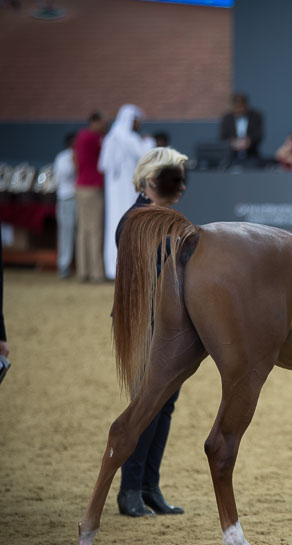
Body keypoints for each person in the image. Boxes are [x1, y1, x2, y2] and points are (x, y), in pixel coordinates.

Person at [114, 146, 191, 518]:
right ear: (150, 180)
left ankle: (149, 487)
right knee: (147, 406)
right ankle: (129, 489)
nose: (181, 186)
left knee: (164, 405)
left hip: (168, 325)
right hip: (146, 325)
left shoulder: (161, 219)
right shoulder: (136, 222)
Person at [100, 104, 155, 280]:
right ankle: (128, 268)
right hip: (128, 190)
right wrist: (148, 141)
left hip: (114, 191)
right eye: (137, 121)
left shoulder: (110, 138)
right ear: (131, 120)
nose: (139, 124)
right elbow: (147, 156)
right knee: (130, 224)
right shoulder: (130, 138)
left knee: (114, 225)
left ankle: (112, 268)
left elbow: (102, 166)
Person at [73, 111, 107, 283]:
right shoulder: (95, 138)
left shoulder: (80, 136)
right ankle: (96, 273)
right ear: (94, 121)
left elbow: (75, 159)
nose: (104, 126)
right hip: (93, 187)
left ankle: (83, 271)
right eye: (102, 122)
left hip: (80, 186)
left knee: (83, 231)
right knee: (95, 231)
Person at [53, 131, 77, 278]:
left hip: (79, 198)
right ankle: (64, 265)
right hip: (67, 198)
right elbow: (63, 176)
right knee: (66, 233)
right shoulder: (62, 157)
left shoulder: (81, 154)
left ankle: (79, 265)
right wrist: (74, 162)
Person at [219, 92, 264, 165]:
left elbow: (258, 135)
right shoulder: (227, 118)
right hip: (231, 157)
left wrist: (249, 141)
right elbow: (222, 137)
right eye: (236, 107)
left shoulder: (255, 116)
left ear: (246, 105)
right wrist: (232, 143)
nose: (239, 109)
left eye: (241, 106)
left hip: (251, 156)